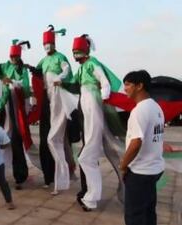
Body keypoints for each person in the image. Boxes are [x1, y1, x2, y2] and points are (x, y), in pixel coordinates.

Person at [71, 34, 121, 211]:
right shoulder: (83, 67)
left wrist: (105, 97)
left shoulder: (92, 63)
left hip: (93, 102)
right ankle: (90, 198)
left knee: (86, 157)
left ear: (83, 52)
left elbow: (104, 82)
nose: (74, 56)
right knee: (86, 158)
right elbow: (72, 83)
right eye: (73, 52)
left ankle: (91, 198)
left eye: (77, 52)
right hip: (85, 103)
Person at [28, 25, 77, 194]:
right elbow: (38, 74)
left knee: (59, 139)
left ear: (54, 44)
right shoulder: (44, 60)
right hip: (47, 102)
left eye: (49, 44)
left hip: (59, 98)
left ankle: (66, 171)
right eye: (45, 44)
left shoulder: (60, 57)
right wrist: (30, 68)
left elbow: (67, 70)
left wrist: (59, 78)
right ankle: (49, 177)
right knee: (46, 139)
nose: (47, 47)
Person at [0, 39, 34, 190]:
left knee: (17, 143)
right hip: (4, 106)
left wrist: (13, 83)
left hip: (16, 109)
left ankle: (20, 177)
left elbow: (24, 87)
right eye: (11, 57)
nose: (13, 59)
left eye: (15, 57)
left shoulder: (22, 69)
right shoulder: (5, 66)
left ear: (19, 57)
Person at [120, 70, 164, 225]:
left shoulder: (139, 111)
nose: (125, 88)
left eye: (128, 84)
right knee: (148, 213)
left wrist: (123, 165)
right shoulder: (156, 107)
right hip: (154, 170)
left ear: (139, 86)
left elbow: (136, 142)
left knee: (134, 216)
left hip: (140, 172)